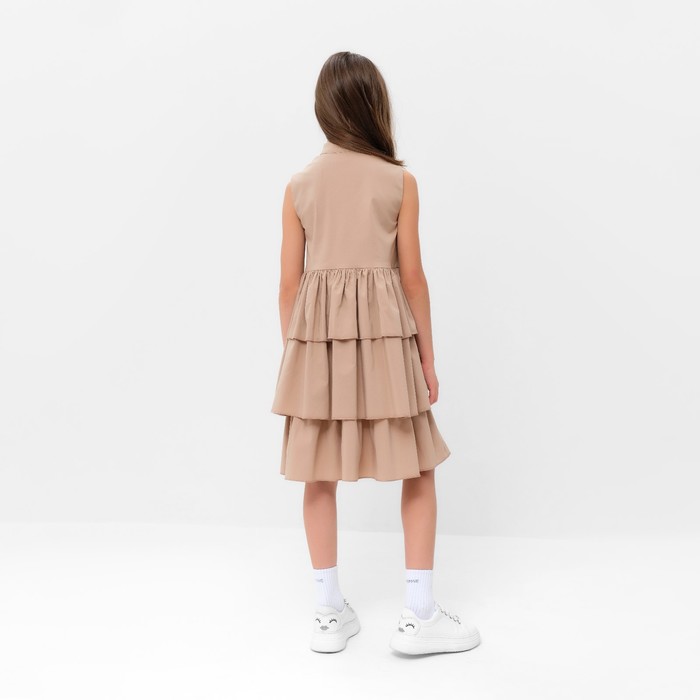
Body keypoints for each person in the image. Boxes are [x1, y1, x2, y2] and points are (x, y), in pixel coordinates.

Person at [271, 51, 481, 656]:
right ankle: (420, 614)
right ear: (374, 106)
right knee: (419, 468)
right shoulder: (399, 182)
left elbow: (289, 285)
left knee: (317, 475)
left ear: (323, 110)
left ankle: (328, 612)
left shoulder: (298, 186)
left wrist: (298, 358)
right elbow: (413, 279)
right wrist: (427, 359)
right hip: (390, 347)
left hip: (317, 351)